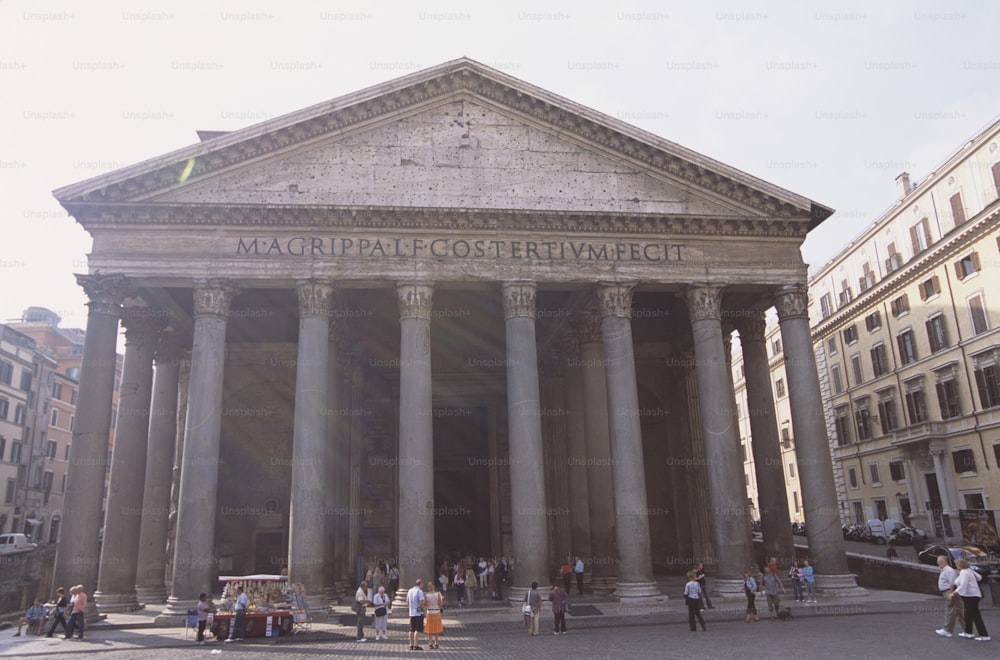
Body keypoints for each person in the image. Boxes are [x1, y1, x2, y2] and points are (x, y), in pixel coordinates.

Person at [950, 558, 990, 641]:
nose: (956, 566)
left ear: (960, 565)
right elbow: (979, 577)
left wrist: (953, 593)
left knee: (975, 614)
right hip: (973, 595)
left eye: (956, 564)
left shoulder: (964, 572)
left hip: (970, 595)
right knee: (968, 614)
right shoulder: (969, 570)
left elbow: (963, 585)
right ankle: (968, 632)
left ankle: (984, 635)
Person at [935, 554, 963, 638]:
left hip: (949, 592)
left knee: (950, 611)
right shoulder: (945, 570)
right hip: (949, 592)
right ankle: (967, 630)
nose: (938, 563)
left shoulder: (949, 570)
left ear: (945, 561)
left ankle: (947, 630)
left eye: (940, 561)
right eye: (938, 561)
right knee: (959, 612)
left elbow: (953, 583)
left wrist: (951, 593)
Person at [407, 579, 426, 651]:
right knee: (417, 629)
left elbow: (407, 601)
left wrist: (411, 608)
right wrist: (422, 610)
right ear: (420, 584)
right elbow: (421, 602)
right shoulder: (420, 591)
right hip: (418, 613)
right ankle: (416, 645)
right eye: (422, 584)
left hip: (411, 612)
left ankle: (411, 645)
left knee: (411, 629)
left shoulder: (410, 590)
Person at [424, 579, 444, 649]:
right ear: (434, 587)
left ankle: (430, 643)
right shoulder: (438, 594)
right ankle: (436, 642)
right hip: (436, 611)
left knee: (430, 629)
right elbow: (440, 603)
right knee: (436, 628)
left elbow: (425, 604)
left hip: (429, 612)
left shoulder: (426, 595)